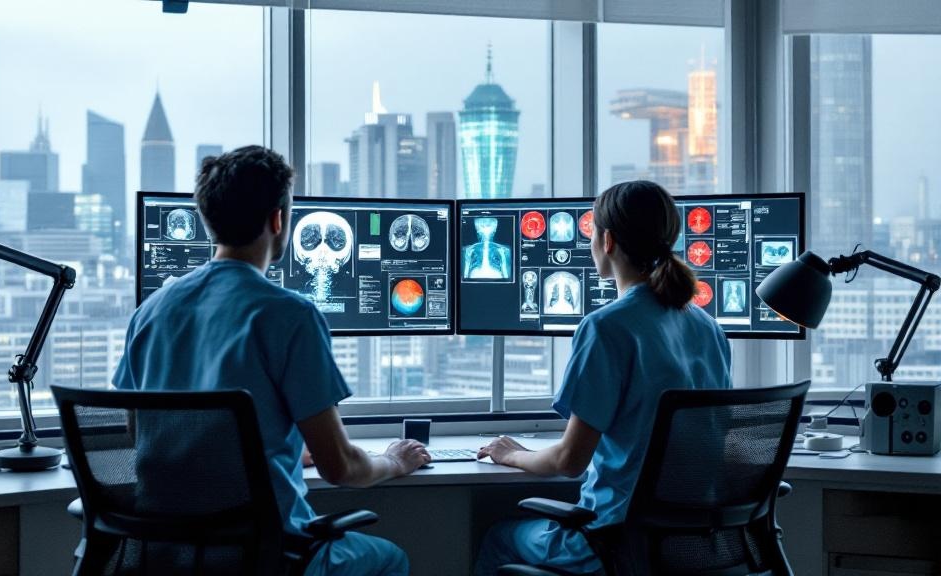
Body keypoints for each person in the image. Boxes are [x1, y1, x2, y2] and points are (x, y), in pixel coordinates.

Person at [113, 145, 428, 576]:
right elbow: (340, 466)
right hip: (267, 555)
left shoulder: (150, 312)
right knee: (392, 558)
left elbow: (144, 433)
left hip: (166, 555)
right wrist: (396, 460)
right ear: (278, 219)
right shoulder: (289, 315)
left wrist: (254, 457)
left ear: (209, 218)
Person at [474, 180, 732, 575]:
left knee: (498, 536)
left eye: (592, 230)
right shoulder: (708, 326)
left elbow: (569, 460)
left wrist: (510, 454)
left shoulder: (607, 327)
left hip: (613, 541)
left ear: (607, 240)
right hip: (693, 544)